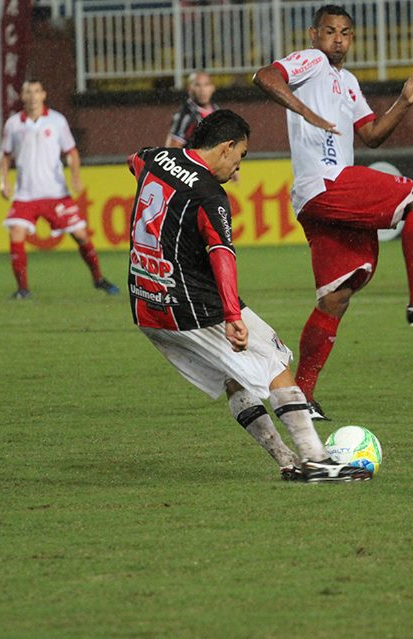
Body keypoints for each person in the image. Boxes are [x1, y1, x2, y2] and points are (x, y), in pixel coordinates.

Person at [128, 109, 369, 482]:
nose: (237, 169)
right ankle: (317, 460)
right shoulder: (210, 195)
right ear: (226, 148)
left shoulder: (157, 157)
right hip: (192, 305)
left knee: (234, 376)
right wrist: (232, 315)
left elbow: (136, 161)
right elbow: (222, 255)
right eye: (240, 156)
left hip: (147, 305)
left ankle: (287, 460)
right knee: (275, 363)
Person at [253, 4, 413, 420]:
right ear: (314, 35)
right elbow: (264, 77)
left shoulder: (347, 82)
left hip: (319, 196)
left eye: (345, 33)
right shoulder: (310, 61)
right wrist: (303, 109)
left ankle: (299, 398)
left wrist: (403, 101)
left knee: (336, 297)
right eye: (330, 32)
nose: (338, 40)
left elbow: (372, 135)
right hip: (327, 181)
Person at [0, 78, 118, 299]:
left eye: (37, 91)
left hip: (56, 193)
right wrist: (3, 182)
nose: (33, 96)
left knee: (81, 235)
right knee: (16, 233)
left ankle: (98, 279)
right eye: (28, 92)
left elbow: (71, 152)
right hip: (26, 194)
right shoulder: (13, 124)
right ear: (22, 96)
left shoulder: (57, 121)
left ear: (43, 94)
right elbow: (5, 156)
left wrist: (75, 176)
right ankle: (23, 289)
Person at [165, 70, 218, 148]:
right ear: (189, 88)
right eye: (197, 85)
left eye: (206, 84)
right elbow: (172, 150)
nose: (202, 90)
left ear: (213, 88)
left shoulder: (216, 109)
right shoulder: (186, 115)